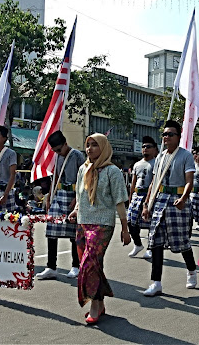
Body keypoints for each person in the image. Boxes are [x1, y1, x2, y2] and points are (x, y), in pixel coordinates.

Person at [67, 133, 130, 325]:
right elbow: (80, 194)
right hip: (83, 223)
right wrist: (76, 210)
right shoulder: (83, 168)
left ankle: (94, 305)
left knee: (88, 263)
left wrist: (125, 228)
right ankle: (101, 302)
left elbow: (119, 201)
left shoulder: (113, 171)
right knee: (94, 265)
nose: (90, 149)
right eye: (88, 145)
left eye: (95, 145)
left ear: (103, 148)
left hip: (103, 224)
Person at [141, 120, 198, 296]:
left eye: (170, 134)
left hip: (177, 201)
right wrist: (146, 204)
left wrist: (183, 198)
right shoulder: (160, 157)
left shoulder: (186, 156)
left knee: (181, 241)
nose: (166, 137)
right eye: (164, 134)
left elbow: (190, 182)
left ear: (178, 137)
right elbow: (154, 182)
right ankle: (156, 282)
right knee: (156, 240)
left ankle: (192, 271)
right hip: (160, 199)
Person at [36, 130, 85, 280]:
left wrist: (77, 200)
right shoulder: (57, 156)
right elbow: (55, 177)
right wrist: (49, 196)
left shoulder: (77, 155)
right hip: (58, 194)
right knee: (51, 229)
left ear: (65, 144)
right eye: (55, 150)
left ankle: (75, 266)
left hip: (73, 195)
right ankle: (51, 267)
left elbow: (84, 178)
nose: (58, 152)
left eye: (59, 149)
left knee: (73, 232)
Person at [127, 136, 157, 259]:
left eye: (148, 147)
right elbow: (133, 183)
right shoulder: (137, 164)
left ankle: (150, 248)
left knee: (152, 225)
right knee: (130, 222)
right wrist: (129, 199)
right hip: (137, 195)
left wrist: (148, 200)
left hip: (150, 195)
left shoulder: (157, 163)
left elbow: (154, 182)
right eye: (144, 146)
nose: (145, 149)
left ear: (155, 149)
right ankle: (138, 244)